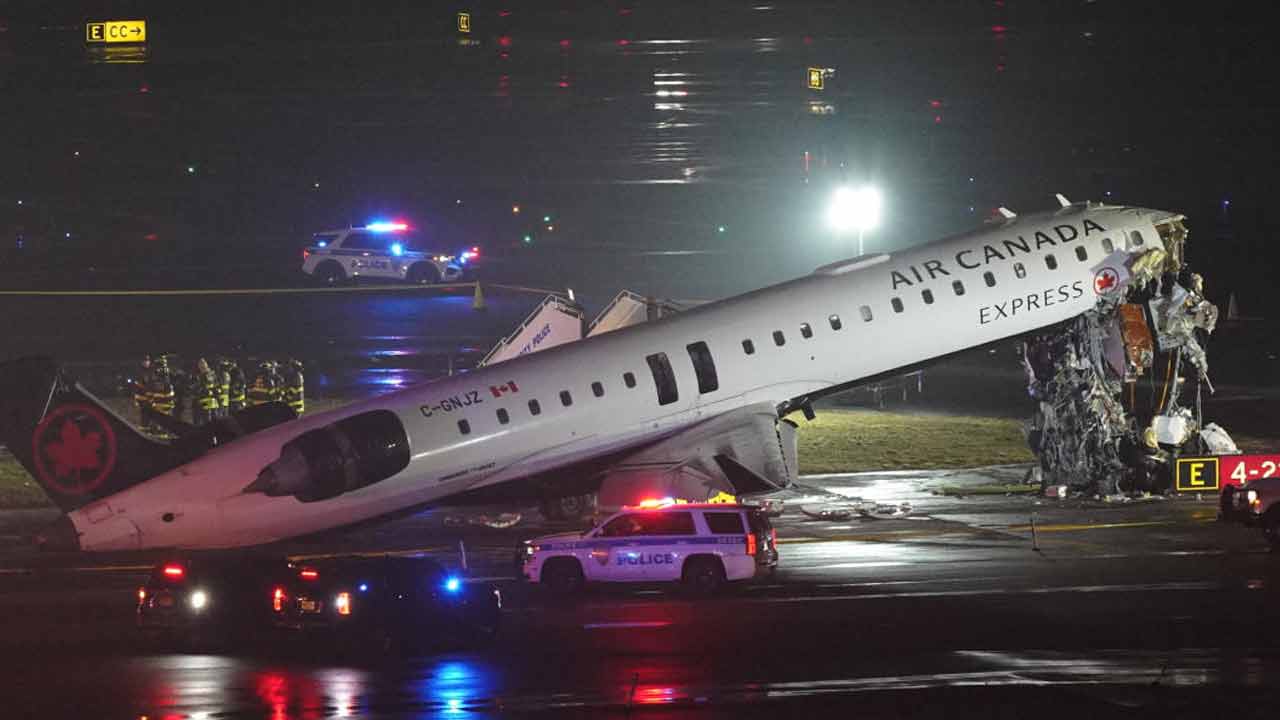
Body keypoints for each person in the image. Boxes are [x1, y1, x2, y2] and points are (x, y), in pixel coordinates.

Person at [190, 358, 219, 425]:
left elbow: (216, 387)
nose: (201, 367)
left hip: (210, 403)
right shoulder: (199, 377)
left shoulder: (208, 375)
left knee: (212, 422)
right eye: (200, 365)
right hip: (206, 404)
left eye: (202, 365)